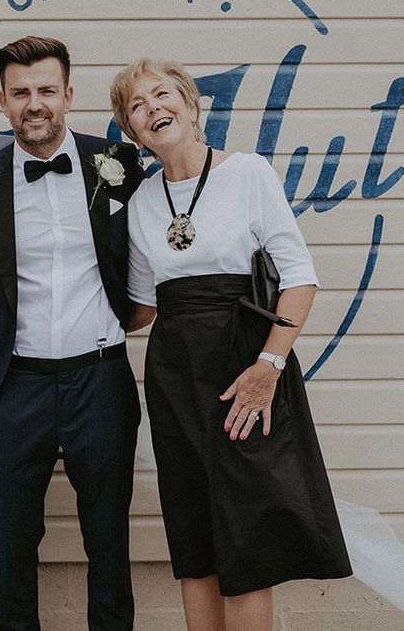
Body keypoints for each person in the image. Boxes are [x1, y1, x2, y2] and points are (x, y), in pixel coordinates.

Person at [109, 57, 352, 631]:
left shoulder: (248, 173)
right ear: (132, 132)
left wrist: (269, 364)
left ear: (192, 106)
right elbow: (141, 307)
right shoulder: (141, 203)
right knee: (192, 532)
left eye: (163, 95)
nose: (153, 110)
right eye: (137, 107)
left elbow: (298, 278)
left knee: (245, 540)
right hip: (174, 374)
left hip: (247, 369)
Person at [0, 36, 144, 630]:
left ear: (67, 94)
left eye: (44, 90)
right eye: (20, 93)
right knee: (9, 544)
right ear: (2, 101)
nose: (33, 103)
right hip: (18, 387)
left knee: (109, 542)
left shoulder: (118, 165)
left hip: (102, 378)